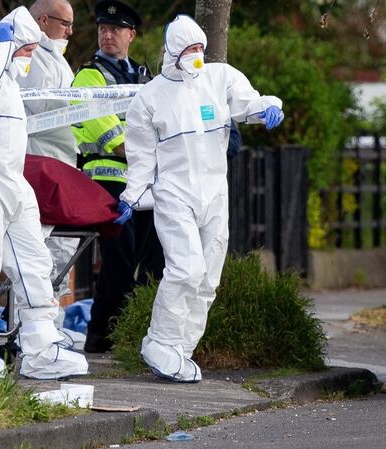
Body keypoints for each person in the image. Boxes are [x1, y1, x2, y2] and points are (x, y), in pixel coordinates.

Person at [116, 15, 284, 382]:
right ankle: (158, 341)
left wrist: (268, 106)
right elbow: (142, 156)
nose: (197, 56)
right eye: (190, 50)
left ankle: (181, 349)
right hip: (175, 194)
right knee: (185, 269)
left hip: (215, 193)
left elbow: (247, 103)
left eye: (200, 50)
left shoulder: (218, 77)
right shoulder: (150, 98)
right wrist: (131, 196)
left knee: (208, 278)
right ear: (173, 53)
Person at [0, 5, 89, 380]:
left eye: (31, 50)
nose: (28, 57)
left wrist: (13, 52)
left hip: (13, 181)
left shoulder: (10, 83)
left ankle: (41, 348)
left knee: (35, 265)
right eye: (25, 50)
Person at [70, 0, 164, 353]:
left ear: (131, 35)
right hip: (107, 182)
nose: (107, 35)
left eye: (115, 29)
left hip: (147, 184)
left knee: (157, 259)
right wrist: (144, 147)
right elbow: (111, 137)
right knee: (120, 262)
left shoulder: (144, 77)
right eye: (102, 29)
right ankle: (104, 336)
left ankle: (138, 331)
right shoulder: (89, 75)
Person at [18, 0, 80, 328]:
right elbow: (40, 112)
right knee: (42, 256)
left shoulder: (55, 59)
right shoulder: (33, 61)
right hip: (41, 167)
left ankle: (51, 329)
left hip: (58, 167)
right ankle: (35, 331)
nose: (70, 31)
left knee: (59, 255)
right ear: (43, 20)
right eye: (64, 24)